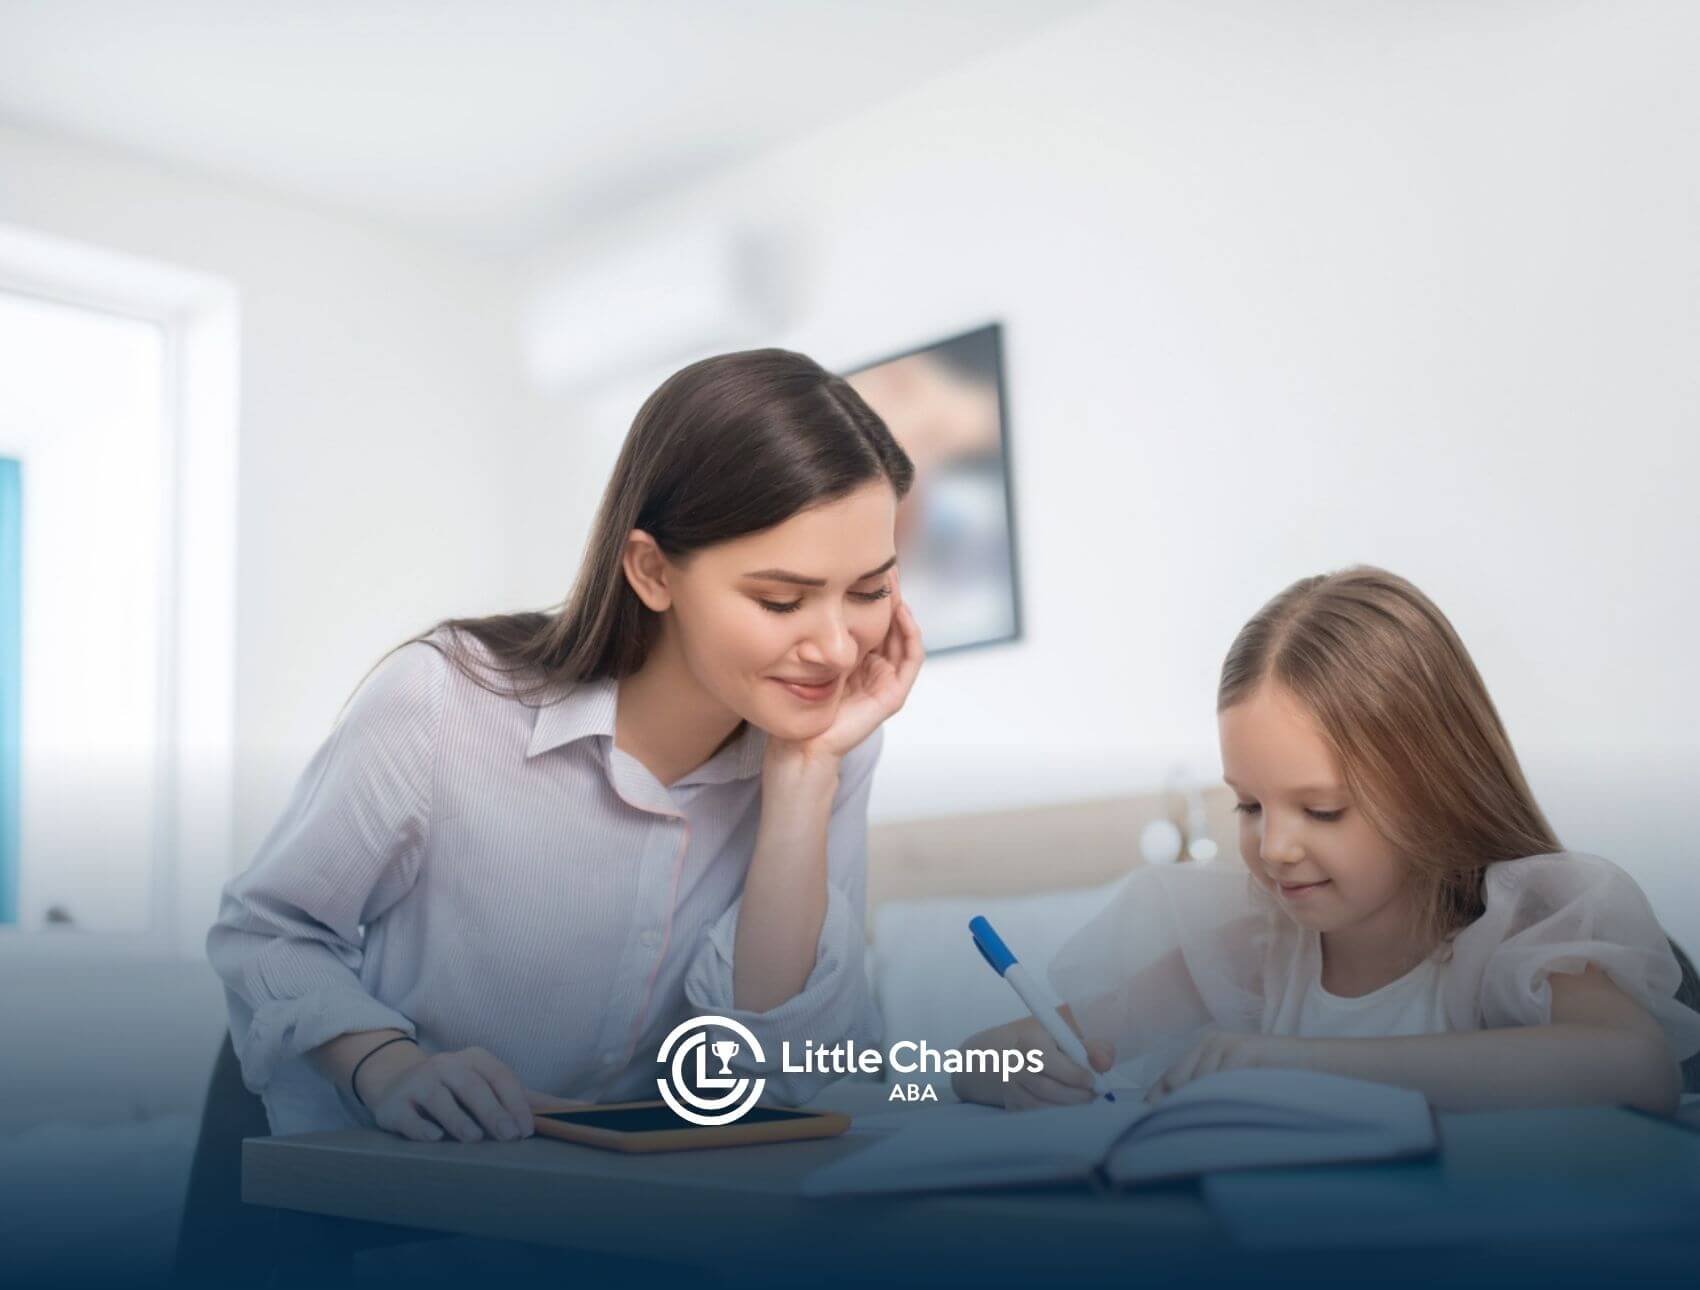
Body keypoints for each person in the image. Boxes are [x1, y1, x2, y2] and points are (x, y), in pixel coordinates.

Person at [209, 348, 924, 1142]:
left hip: (628, 1214)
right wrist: (390, 1066)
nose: (835, 647)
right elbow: (268, 930)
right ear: (652, 571)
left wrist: (803, 777)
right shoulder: (444, 700)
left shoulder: (831, 745)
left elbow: (787, 1076)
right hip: (397, 1192)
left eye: (870, 591)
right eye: (781, 599)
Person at [955, 566, 1699, 1113]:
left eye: (1323, 811)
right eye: (1249, 805)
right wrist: (981, 1063)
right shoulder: (1250, 952)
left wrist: (1295, 1064)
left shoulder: (1524, 935)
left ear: (1434, 787)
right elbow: (999, 1046)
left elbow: (1637, 1071)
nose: (1273, 848)